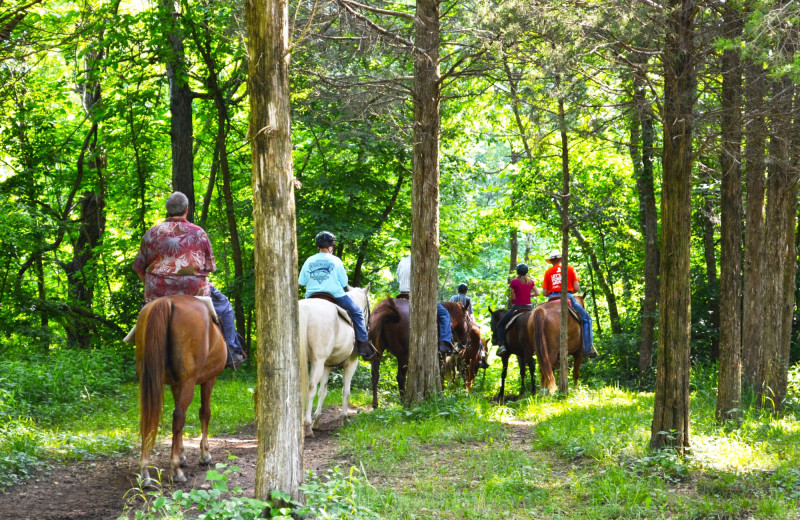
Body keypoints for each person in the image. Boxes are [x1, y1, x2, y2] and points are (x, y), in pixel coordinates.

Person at [133, 191, 247, 370]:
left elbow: (140, 269)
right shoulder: (198, 233)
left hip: (158, 292)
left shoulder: (151, 233)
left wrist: (156, 285)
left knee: (144, 315)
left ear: (167, 210)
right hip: (194, 291)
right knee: (225, 307)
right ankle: (232, 352)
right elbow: (209, 267)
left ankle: (137, 349)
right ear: (187, 210)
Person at [298, 231, 378, 361]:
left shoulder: (309, 260)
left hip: (311, 296)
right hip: (335, 296)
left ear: (318, 246)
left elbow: (301, 282)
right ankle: (363, 345)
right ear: (331, 246)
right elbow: (344, 283)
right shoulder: (336, 260)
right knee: (357, 312)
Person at [541, 249, 598, 359]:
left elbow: (544, 293)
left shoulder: (548, 272)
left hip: (552, 298)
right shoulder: (570, 269)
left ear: (552, 261)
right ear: (560, 259)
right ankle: (587, 349)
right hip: (567, 297)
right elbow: (577, 288)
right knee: (587, 319)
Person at [396, 254, 455, 354]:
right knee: (444, 314)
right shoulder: (423, 262)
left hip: (401, 295)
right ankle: (444, 341)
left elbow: (398, 279)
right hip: (417, 296)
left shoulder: (402, 262)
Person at [495, 263, 539, 357]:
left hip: (517, 307)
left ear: (517, 272)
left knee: (500, 324)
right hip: (529, 308)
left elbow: (512, 298)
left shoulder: (514, 282)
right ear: (526, 272)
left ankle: (502, 345)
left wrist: (516, 298)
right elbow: (537, 293)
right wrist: (529, 295)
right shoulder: (530, 281)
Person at [450, 283, 489, 368]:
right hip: (465, 320)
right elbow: (470, 312)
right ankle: (482, 353)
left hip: (454, 321)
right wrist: (473, 322)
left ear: (458, 290)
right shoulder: (468, 298)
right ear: (466, 291)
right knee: (477, 331)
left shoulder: (453, 298)